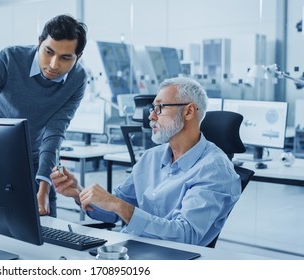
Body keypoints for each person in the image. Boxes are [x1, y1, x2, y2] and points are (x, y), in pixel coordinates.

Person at [51, 77, 241, 246]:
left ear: (189, 111)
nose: (151, 116)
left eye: (160, 107)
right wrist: (78, 193)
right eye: (152, 108)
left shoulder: (214, 169)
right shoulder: (151, 157)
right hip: (128, 249)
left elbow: (185, 236)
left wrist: (119, 205)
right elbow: (113, 213)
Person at [0, 14, 88, 217]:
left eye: (65, 58)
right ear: (39, 43)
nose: (54, 65)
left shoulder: (78, 79)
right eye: (48, 52)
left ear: (78, 57)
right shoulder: (9, 59)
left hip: (37, 163)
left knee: (45, 236)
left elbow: (54, 132)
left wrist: (44, 188)